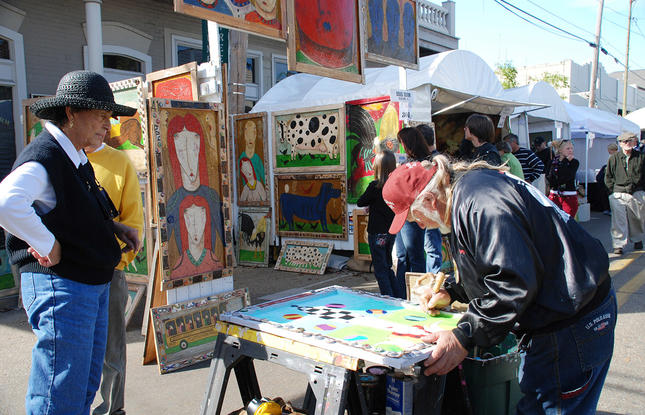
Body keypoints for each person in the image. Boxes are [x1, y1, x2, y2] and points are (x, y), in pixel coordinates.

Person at [382, 157, 615, 414]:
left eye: (415, 217)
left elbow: (512, 280)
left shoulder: (480, 202)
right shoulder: (468, 193)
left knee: (548, 406)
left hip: (570, 321)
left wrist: (463, 336)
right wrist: (451, 291)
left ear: (429, 200)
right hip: (568, 309)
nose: (420, 224)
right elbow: (493, 264)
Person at [0, 71, 140, 414]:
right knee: (59, 395)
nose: (107, 126)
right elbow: (6, 203)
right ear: (72, 113)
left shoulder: (73, 157)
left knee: (80, 388)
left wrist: (112, 228)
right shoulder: (47, 155)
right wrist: (47, 244)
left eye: (109, 118)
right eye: (101, 116)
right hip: (63, 288)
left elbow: (73, 211)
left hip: (84, 286)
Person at [86, 136, 144, 415]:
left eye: (105, 117)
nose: (102, 125)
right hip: (69, 275)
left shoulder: (119, 162)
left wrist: (118, 260)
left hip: (109, 272)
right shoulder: (62, 159)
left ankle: (111, 409)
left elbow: (133, 220)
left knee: (112, 350)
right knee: (75, 349)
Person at [392, 127, 431, 298]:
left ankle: (418, 294)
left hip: (413, 213)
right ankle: (401, 294)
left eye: (402, 143)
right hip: (402, 213)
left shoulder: (424, 164)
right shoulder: (408, 163)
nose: (400, 147)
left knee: (414, 255)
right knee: (401, 255)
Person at [356, 151, 397, 296]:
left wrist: (372, 203)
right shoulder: (395, 186)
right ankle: (397, 294)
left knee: (380, 269)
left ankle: (388, 297)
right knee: (387, 266)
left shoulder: (375, 186)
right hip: (391, 231)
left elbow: (360, 201)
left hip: (377, 231)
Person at [604, 131, 645, 255]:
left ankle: (637, 239)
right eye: (623, 141)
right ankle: (618, 244)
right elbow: (608, 176)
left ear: (633, 142)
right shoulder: (614, 158)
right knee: (618, 220)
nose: (626, 144)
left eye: (629, 141)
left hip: (637, 191)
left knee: (636, 218)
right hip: (618, 192)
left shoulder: (641, 157)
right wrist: (612, 192)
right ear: (620, 143)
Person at [416, 124, 443, 274]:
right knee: (431, 248)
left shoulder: (434, 161)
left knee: (432, 249)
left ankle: (432, 284)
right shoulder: (438, 158)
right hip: (431, 210)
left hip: (431, 210)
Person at [547, 140, 580, 218]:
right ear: (560, 150)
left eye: (572, 148)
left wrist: (565, 161)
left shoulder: (574, 162)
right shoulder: (554, 162)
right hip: (554, 194)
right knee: (554, 219)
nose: (570, 150)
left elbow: (567, 177)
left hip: (569, 195)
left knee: (567, 220)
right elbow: (550, 178)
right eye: (568, 148)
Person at [595, 143, 618, 215]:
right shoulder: (613, 156)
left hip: (613, 180)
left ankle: (610, 209)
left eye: (609, 150)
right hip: (610, 179)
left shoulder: (615, 157)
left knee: (610, 195)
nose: (608, 151)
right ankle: (608, 209)